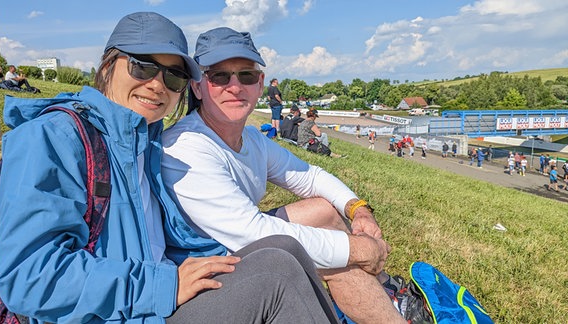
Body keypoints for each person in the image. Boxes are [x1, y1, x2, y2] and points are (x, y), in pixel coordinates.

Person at [0, 13, 338, 323]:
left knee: (281, 249)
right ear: (107, 66)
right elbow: (29, 276)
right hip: (117, 311)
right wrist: (164, 284)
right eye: (142, 66)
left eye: (173, 77)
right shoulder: (53, 138)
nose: (157, 84)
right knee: (275, 275)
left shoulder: (147, 145)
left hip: (154, 303)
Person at [162, 27, 409, 323]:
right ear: (198, 86)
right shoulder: (187, 147)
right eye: (219, 76)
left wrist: (359, 210)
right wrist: (356, 249)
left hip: (227, 248)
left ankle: (388, 294)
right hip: (201, 275)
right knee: (335, 258)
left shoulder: (251, 139)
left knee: (324, 210)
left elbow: (311, 177)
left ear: (260, 83)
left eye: (246, 76)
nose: (235, 86)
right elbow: (251, 233)